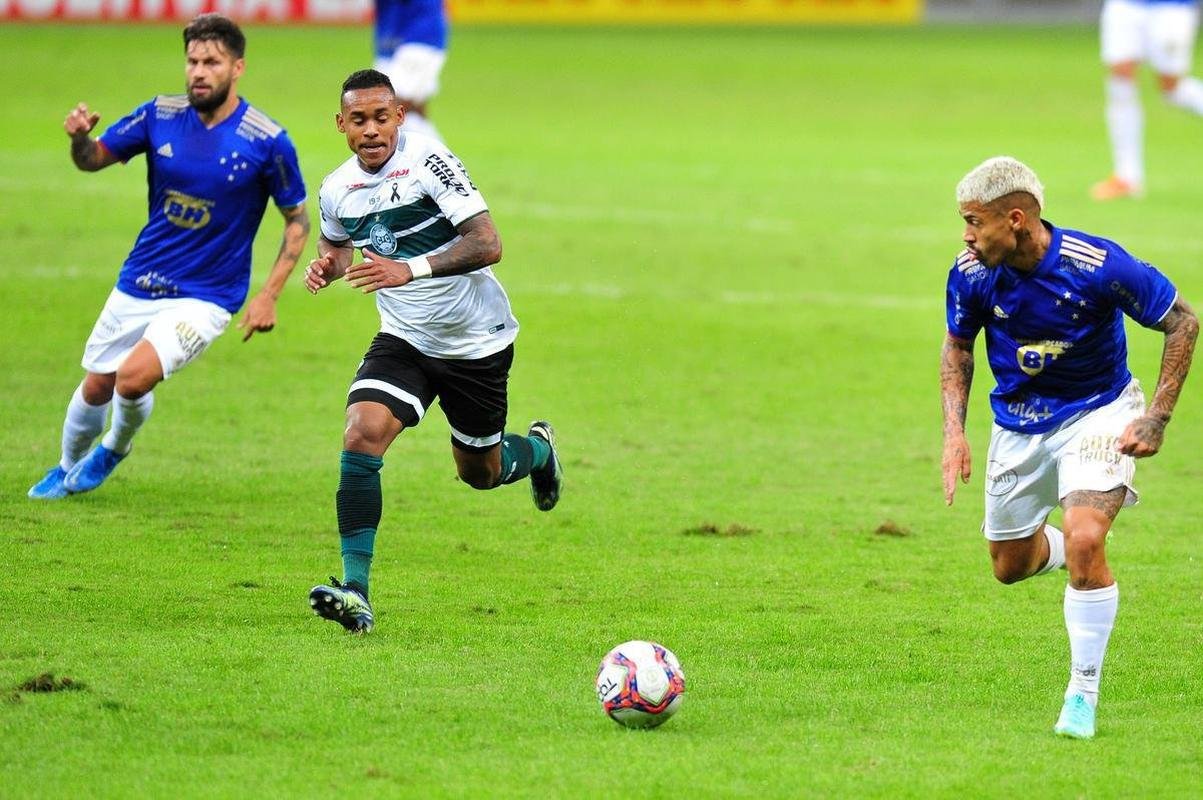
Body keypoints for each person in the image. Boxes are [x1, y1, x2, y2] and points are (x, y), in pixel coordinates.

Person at [941, 157, 1197, 738]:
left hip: (1099, 411)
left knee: (1087, 537)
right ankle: (1068, 558)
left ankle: (1082, 693)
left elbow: (1182, 321)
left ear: (1015, 219)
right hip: (1018, 424)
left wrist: (1156, 416)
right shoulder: (971, 272)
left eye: (974, 222)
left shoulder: (1098, 264)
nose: (966, 235)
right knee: (1009, 566)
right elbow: (958, 347)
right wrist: (955, 432)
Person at [304, 70, 562, 634]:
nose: (370, 130)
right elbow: (336, 241)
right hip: (404, 340)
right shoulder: (334, 188)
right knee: (361, 433)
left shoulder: (430, 163)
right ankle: (355, 590)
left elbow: (488, 243)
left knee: (480, 473)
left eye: (381, 117)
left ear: (399, 116)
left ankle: (539, 454)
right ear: (341, 124)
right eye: (358, 120)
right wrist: (329, 265)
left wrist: (409, 268)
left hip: (475, 342)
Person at [27, 14, 310, 500]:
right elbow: (93, 159)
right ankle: (66, 468)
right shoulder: (158, 114)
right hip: (141, 277)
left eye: (212, 62)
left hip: (209, 295)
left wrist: (268, 295)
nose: (199, 72)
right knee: (97, 385)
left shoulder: (268, 140)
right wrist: (79, 139)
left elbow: (298, 221)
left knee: (131, 380)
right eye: (193, 61)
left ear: (237, 67)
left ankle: (115, 446)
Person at [1093, 0, 1203, 199]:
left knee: (1173, 89)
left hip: (1172, 7)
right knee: (1119, 80)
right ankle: (1126, 176)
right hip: (1126, 6)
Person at [373, 0, 447, 140]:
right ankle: (441, 157)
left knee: (390, 106)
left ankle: (439, 157)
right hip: (390, 41)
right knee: (412, 111)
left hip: (419, 37)